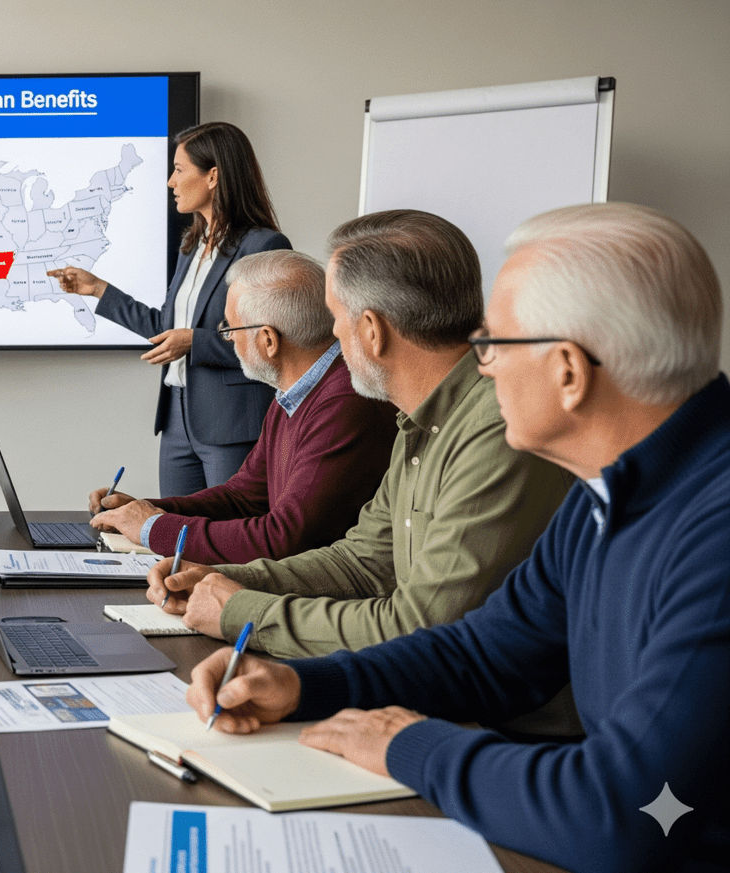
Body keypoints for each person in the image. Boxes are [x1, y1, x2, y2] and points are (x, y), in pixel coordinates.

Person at [187, 203, 729, 872]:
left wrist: (408, 745)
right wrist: (303, 685)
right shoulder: (606, 490)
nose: (484, 364)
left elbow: (624, 813)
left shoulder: (715, 528)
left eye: (496, 341)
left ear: (567, 370)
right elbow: (484, 653)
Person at [148, 210, 573, 658]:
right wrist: (227, 580)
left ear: (371, 330)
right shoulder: (419, 419)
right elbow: (361, 563)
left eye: (335, 317)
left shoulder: (494, 427)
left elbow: (419, 625)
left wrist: (241, 611)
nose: (329, 333)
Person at [87, 250, 397, 562]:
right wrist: (148, 512)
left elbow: (282, 538)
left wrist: (153, 527)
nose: (228, 341)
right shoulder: (296, 390)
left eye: (229, 329)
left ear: (268, 341)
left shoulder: (344, 405)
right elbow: (242, 499)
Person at [49, 122, 292, 495]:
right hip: (177, 416)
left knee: (226, 540)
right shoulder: (192, 246)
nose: (170, 182)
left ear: (213, 176)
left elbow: (271, 342)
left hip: (230, 423)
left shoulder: (264, 245)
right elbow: (168, 328)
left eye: (179, 170)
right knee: (175, 532)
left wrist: (196, 342)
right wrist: (97, 289)